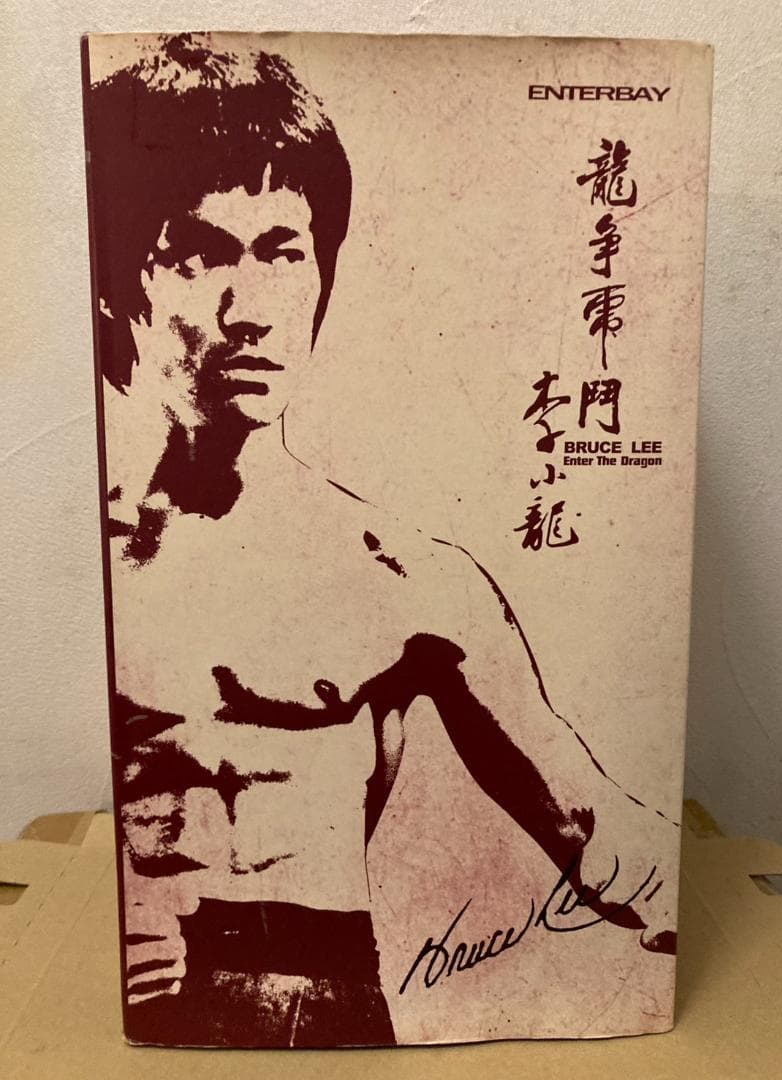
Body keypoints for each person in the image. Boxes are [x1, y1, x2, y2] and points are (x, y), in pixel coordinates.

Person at [86, 34, 678, 1048]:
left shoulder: (404, 576)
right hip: (145, 1025)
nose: (250, 310)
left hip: (335, 1020)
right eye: (201, 254)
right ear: (118, 286)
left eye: (283, 252)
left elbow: (591, 828)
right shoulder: (89, 562)